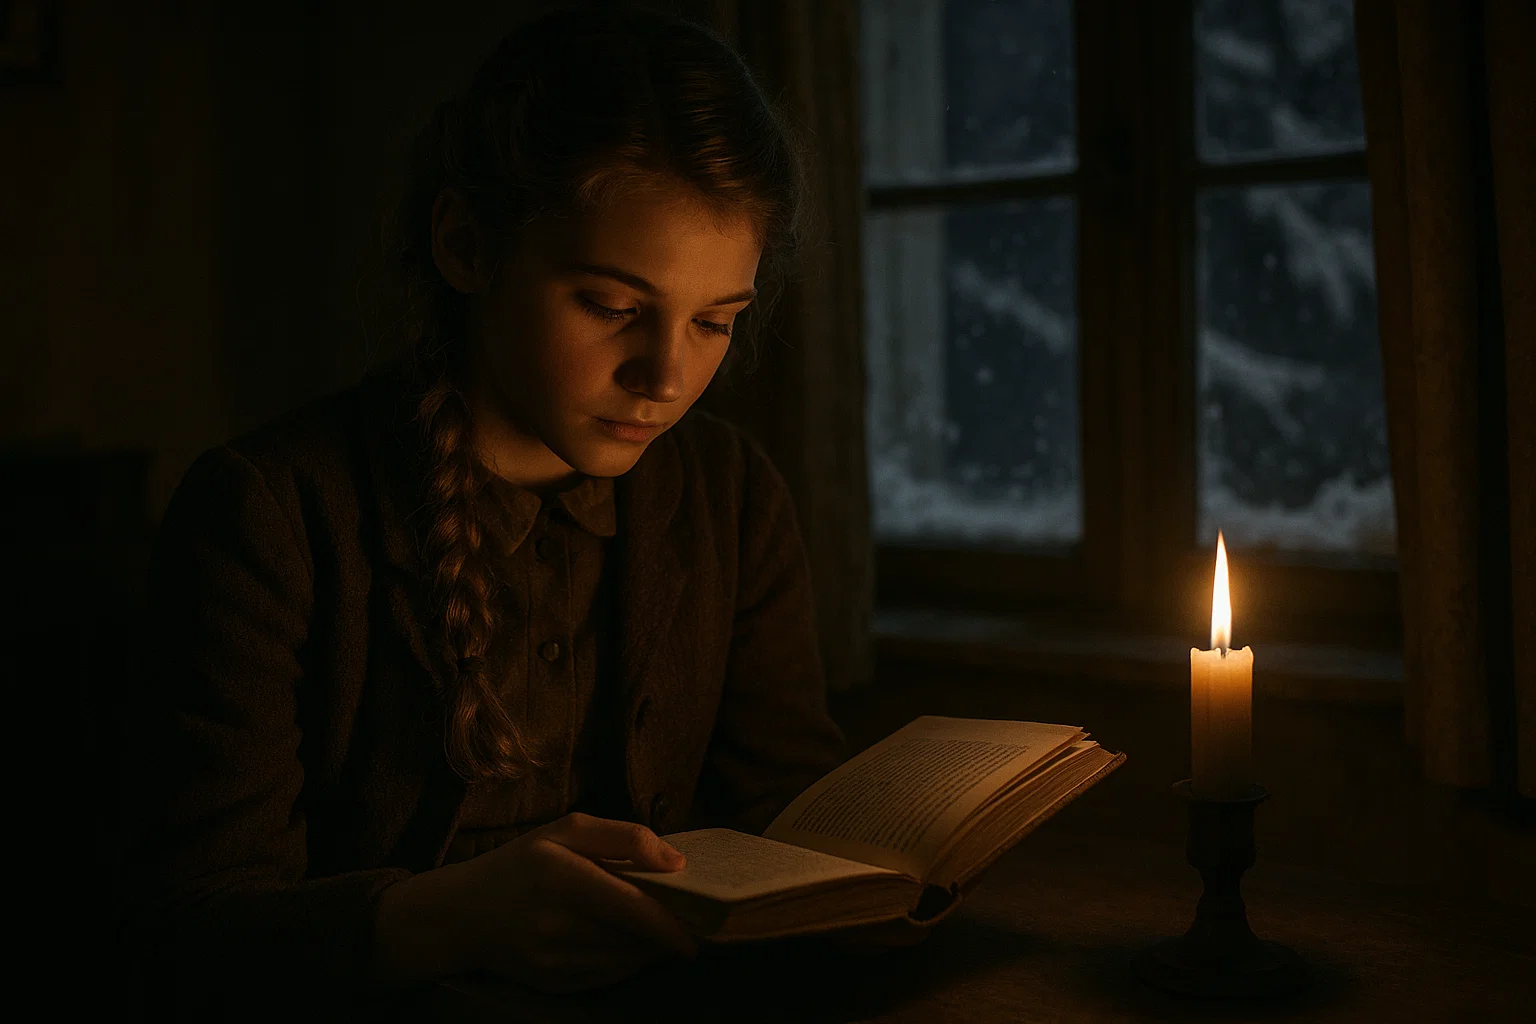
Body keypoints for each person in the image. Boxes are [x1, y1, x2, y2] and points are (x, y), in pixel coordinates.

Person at [119, 3, 846, 1014]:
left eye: (716, 321)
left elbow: (786, 815)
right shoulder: (269, 514)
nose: (667, 375)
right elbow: (188, 926)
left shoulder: (730, 496)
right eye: (612, 306)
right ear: (467, 245)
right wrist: (442, 919)